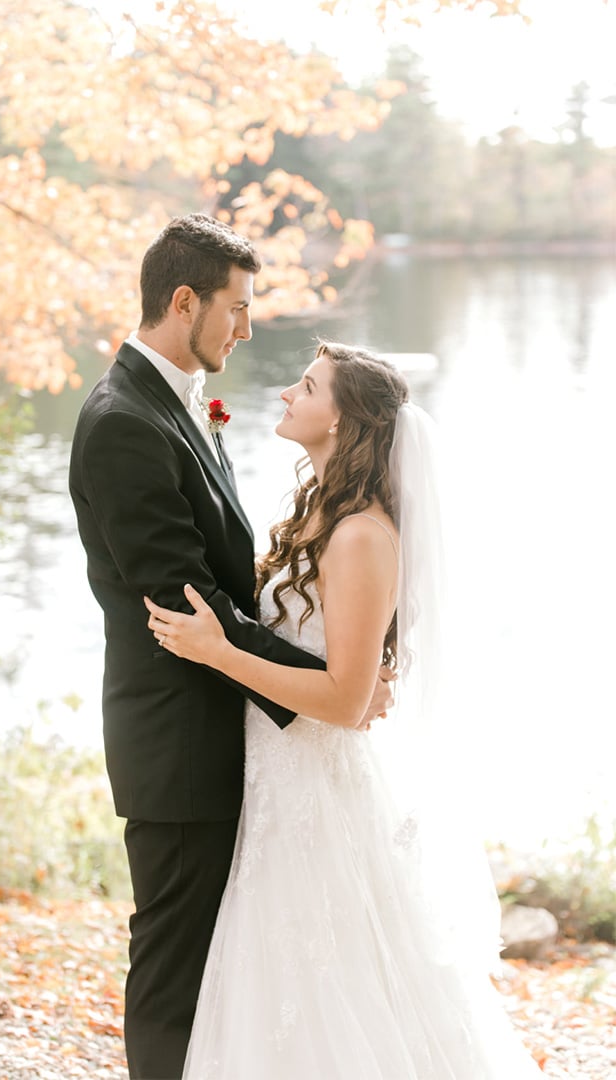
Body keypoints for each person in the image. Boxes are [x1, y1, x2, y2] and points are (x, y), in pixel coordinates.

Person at [145, 341, 545, 1079]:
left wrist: (218, 653)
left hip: (317, 797)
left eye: (307, 386)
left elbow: (344, 699)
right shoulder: (321, 515)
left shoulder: (362, 534)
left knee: (334, 987)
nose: (290, 395)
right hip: (278, 784)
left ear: (343, 419)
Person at [68, 216, 393, 1080]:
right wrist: (332, 686)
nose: (247, 330)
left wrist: (348, 672)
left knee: (224, 975)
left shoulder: (175, 408)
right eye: (238, 309)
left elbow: (232, 582)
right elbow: (188, 603)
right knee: (175, 975)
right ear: (185, 302)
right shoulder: (123, 422)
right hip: (176, 743)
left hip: (227, 737)